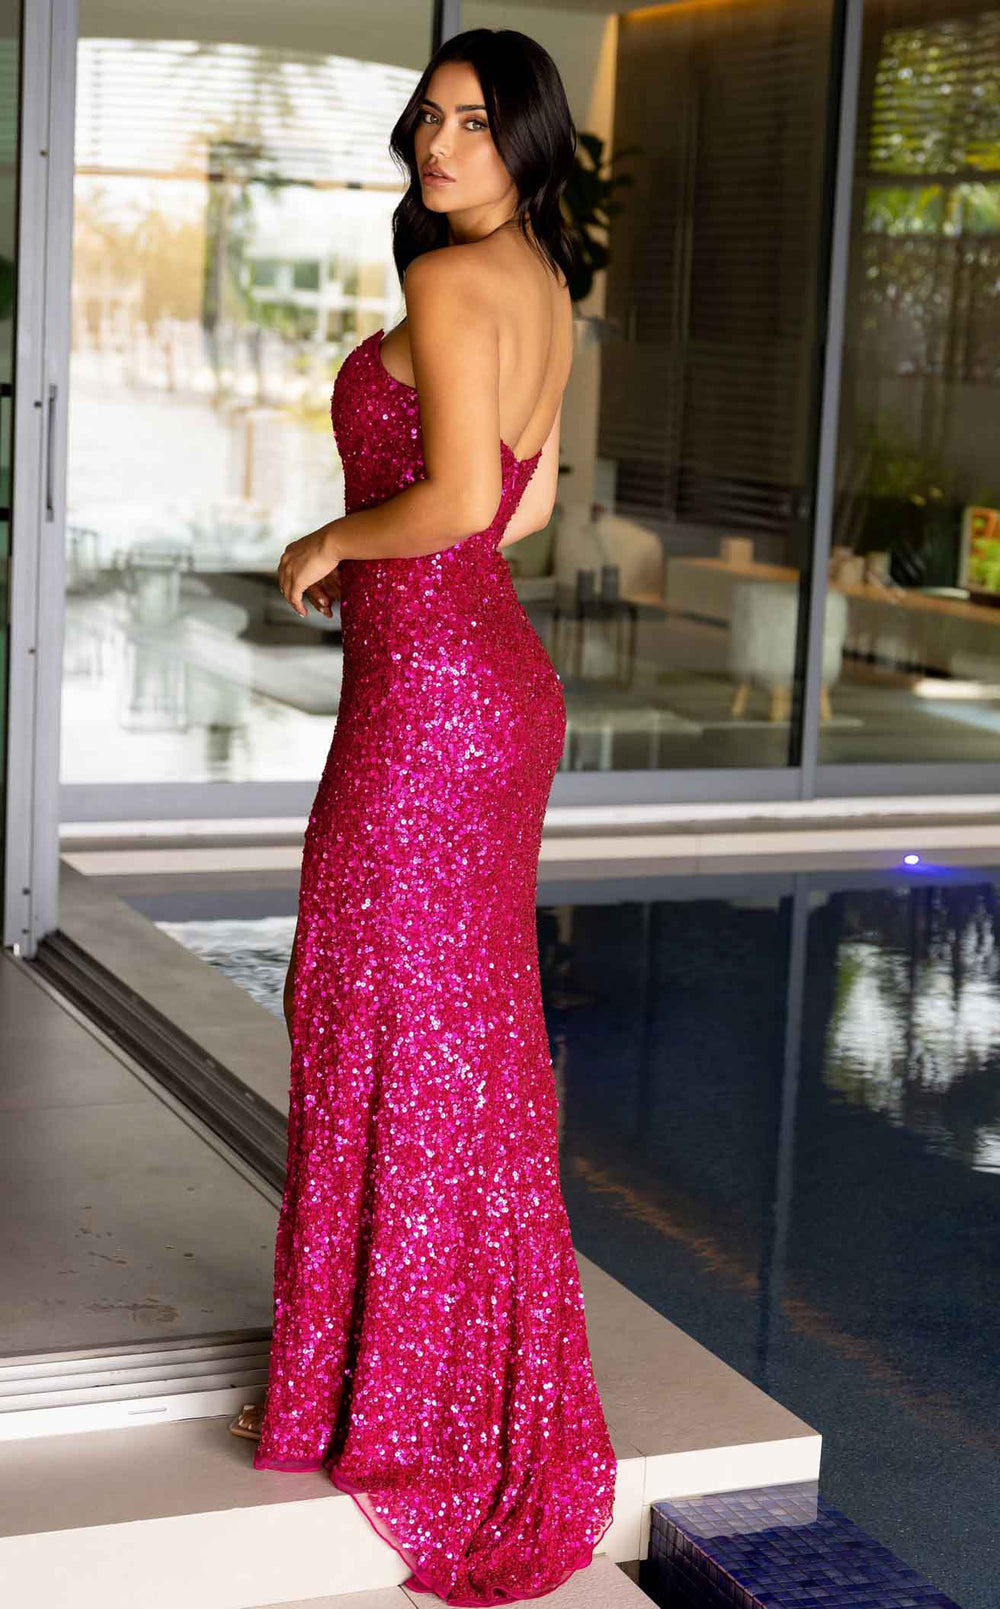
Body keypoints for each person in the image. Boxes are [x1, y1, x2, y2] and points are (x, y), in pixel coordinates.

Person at [230, 27, 617, 1605]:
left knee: (368, 1010)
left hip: (434, 708)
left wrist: (334, 539)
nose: (437, 147)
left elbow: (461, 501)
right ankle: (423, 1369)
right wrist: (410, 563)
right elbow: (526, 503)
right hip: (492, 690)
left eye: (473, 123)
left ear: (528, 142)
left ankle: (387, 1395)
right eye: (428, 119)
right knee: (457, 1038)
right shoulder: (545, 289)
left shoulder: (454, 284)